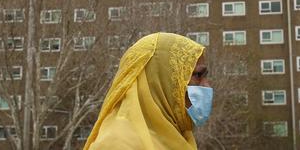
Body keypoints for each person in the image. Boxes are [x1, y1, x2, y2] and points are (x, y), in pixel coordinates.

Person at [83, 32, 213, 150]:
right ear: (163, 81)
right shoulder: (117, 143)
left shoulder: (180, 136)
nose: (207, 86)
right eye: (198, 75)